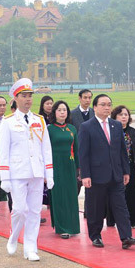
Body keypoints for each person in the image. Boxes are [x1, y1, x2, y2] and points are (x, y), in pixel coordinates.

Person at [0, 78, 54, 261]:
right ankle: (14, 236)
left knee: (35, 211)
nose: (28, 99)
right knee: (20, 210)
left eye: (30, 96)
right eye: (24, 96)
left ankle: (31, 248)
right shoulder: (7, 122)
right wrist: (4, 178)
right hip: (17, 172)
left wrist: (49, 173)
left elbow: (46, 148)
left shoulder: (39, 120)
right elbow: (3, 151)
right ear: (16, 98)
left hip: (36, 171)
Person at [79, 93, 135, 249]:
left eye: (109, 104)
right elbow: (83, 153)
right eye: (103, 105)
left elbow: (122, 151)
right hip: (96, 176)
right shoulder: (87, 127)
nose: (107, 107)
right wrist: (85, 175)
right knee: (96, 208)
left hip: (116, 175)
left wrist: (126, 171)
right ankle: (95, 236)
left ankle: (126, 237)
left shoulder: (116, 125)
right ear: (95, 107)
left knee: (121, 206)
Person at [108, 105, 135, 228]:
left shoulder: (132, 132)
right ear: (115, 116)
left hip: (131, 166)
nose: (124, 117)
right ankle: (113, 219)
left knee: (133, 193)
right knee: (116, 194)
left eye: (126, 115)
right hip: (116, 167)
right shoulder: (111, 130)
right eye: (121, 114)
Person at [47, 100, 80, 239]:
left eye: (65, 110)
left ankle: (72, 226)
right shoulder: (49, 129)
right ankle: (61, 228)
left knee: (71, 196)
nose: (62, 112)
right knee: (59, 196)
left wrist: (79, 169)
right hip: (56, 166)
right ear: (54, 112)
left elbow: (77, 150)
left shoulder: (72, 129)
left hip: (70, 166)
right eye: (59, 110)